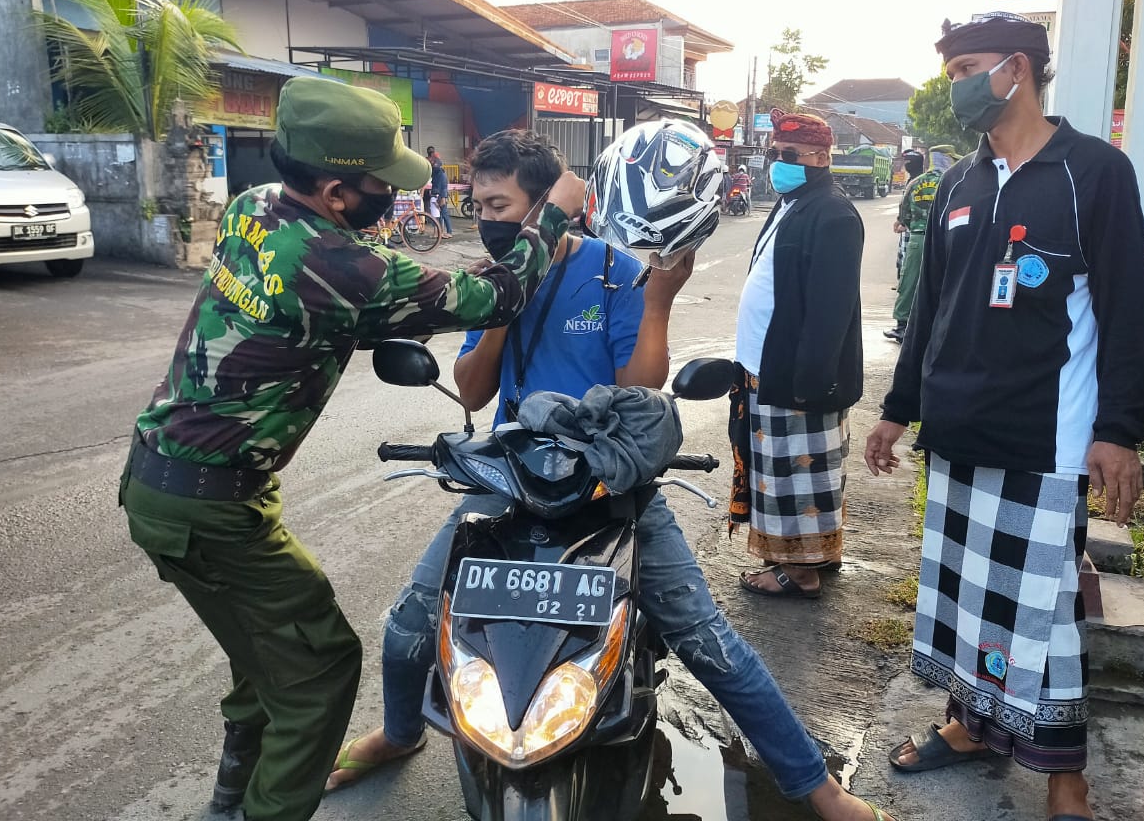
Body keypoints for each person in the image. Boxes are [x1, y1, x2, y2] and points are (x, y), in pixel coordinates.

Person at [326, 127, 895, 821]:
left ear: (544, 210)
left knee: (705, 638)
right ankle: (400, 731)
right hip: (511, 478)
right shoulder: (486, 283)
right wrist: (506, 301)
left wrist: (656, 304)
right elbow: (473, 393)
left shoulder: (613, 274)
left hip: (610, 484)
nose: (489, 220)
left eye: (502, 207)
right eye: (480, 207)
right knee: (412, 624)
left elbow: (642, 385)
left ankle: (819, 788)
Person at [118, 77, 583, 821]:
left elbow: (340, 316)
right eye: (380, 186)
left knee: (261, 659)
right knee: (319, 669)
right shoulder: (349, 268)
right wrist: (552, 215)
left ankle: (228, 804)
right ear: (335, 191)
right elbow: (495, 297)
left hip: (162, 482)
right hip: (211, 506)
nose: (391, 199)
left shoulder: (252, 208)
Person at [864, 13, 1144, 821]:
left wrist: (1120, 430)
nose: (955, 84)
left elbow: (1128, 307)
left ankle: (1067, 777)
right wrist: (898, 411)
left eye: (967, 66)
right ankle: (970, 727)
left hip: (1044, 436)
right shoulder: (958, 181)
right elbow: (931, 308)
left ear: (1017, 70)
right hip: (957, 433)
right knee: (967, 603)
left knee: (1044, 613)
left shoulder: (1092, 172)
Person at [731, 109, 864, 600]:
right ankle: (809, 556)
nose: (777, 164)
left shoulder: (832, 212)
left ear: (822, 156)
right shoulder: (795, 202)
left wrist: (810, 381)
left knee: (798, 476)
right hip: (767, 368)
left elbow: (831, 312)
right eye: (774, 155)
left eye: (788, 155)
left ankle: (799, 571)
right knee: (783, 474)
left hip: (797, 376)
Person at [885, 146, 954, 343]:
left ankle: (902, 325)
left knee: (910, 281)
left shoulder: (916, 182)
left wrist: (911, 224)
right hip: (946, 239)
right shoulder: (954, 181)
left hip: (917, 237)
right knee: (946, 280)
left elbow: (904, 212)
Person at [893, 149, 925, 284]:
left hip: (914, 229)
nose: (905, 166)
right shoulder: (913, 180)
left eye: (907, 162)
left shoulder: (918, 182)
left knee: (908, 260)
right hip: (910, 227)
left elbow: (911, 207)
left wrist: (903, 223)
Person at [426, 145, 453, 238]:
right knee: (439, 215)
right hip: (437, 194)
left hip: (440, 194)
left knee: (444, 213)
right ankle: (440, 232)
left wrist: (442, 197)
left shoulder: (440, 172)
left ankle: (449, 232)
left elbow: (443, 186)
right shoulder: (437, 171)